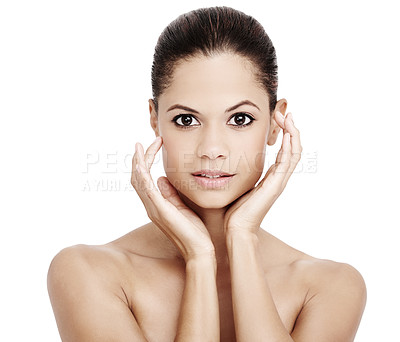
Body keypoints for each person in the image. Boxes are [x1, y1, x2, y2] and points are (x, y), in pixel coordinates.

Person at [47, 6, 367, 342]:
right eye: (186, 120)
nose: (212, 149)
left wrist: (242, 236)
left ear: (276, 122)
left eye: (240, 119)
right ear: (155, 119)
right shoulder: (87, 272)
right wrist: (199, 259)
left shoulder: (330, 287)